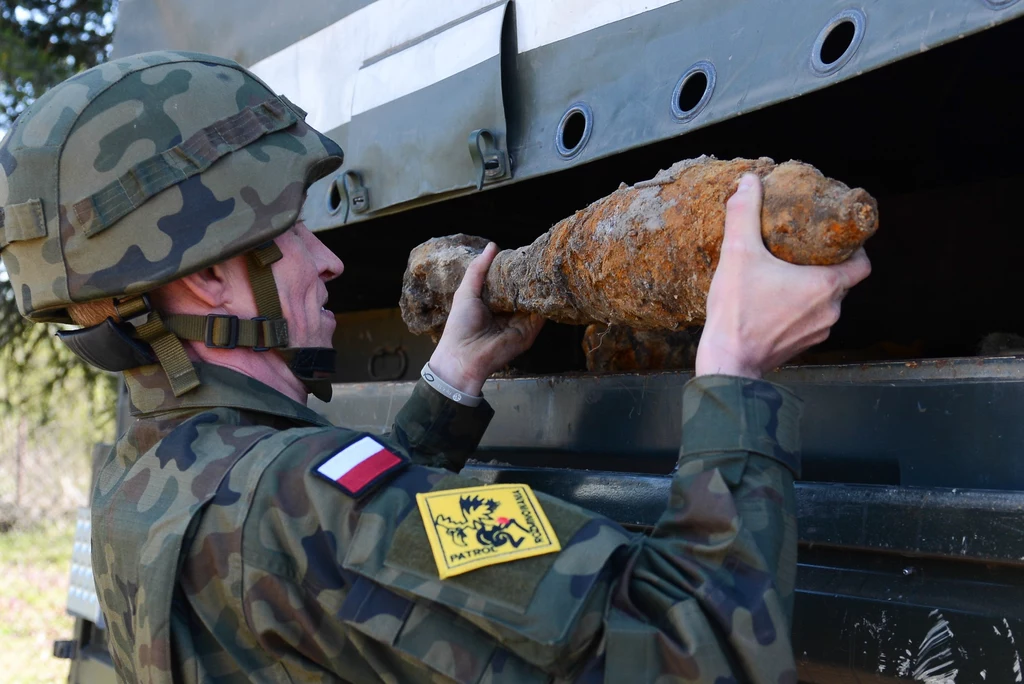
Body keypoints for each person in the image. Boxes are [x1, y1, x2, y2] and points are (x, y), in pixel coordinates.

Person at [0, 53, 870, 683]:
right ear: (209, 276)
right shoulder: (296, 504)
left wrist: (448, 389)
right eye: (291, 232)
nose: (328, 261)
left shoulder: (145, 467)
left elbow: (348, 576)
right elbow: (700, 652)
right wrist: (736, 376)